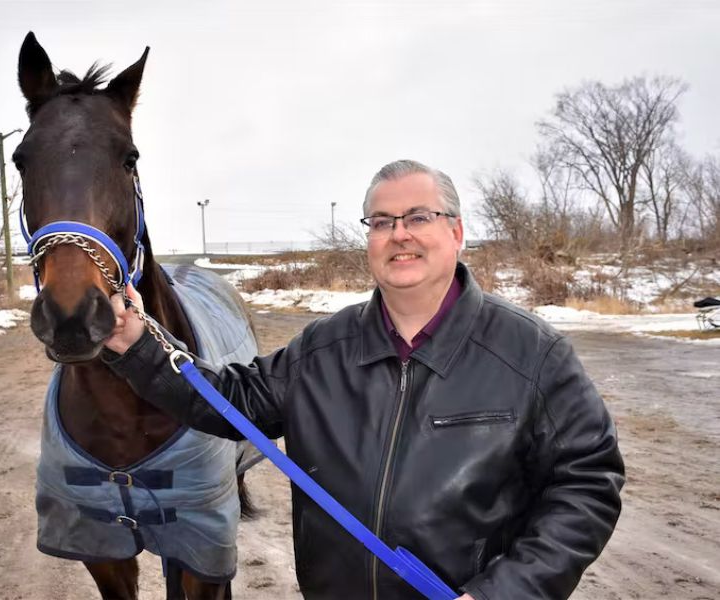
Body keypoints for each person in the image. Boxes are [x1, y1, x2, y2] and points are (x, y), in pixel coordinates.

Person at [101, 160, 625, 599]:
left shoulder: (531, 353)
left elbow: (588, 484)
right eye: (381, 221)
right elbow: (232, 402)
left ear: (456, 232)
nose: (399, 234)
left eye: (418, 216)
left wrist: (507, 592)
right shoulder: (323, 349)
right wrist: (138, 348)